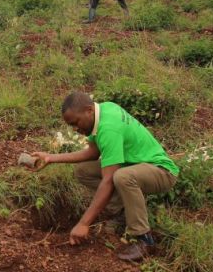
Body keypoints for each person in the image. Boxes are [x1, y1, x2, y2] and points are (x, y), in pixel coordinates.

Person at [29, 92, 179, 262]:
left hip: (161, 171)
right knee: (83, 171)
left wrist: (83, 223)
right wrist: (51, 158)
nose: (75, 129)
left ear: (89, 110)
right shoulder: (103, 111)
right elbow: (93, 153)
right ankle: (122, 211)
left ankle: (144, 239)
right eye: (71, 126)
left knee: (122, 177)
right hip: (135, 164)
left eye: (76, 123)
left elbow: (108, 181)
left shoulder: (108, 128)